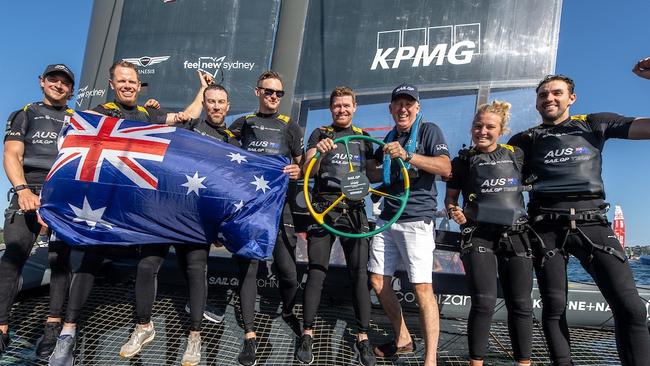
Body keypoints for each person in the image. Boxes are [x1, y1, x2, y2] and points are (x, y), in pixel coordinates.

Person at [48, 60, 205, 366]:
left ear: (139, 83)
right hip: (109, 207)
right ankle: (67, 333)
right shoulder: (102, 111)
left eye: (132, 81)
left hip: (143, 208)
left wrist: (202, 90)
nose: (128, 86)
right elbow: (77, 129)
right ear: (112, 84)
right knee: (89, 260)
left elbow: (187, 116)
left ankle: (150, 326)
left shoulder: (150, 113)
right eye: (122, 81)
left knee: (149, 265)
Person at [508, 74, 650, 366]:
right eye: (543, 94)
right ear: (536, 103)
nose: (549, 98)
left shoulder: (594, 123)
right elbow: (495, 178)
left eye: (557, 93)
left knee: (632, 309)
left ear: (571, 98)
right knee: (554, 308)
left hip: (593, 224)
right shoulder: (524, 140)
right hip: (545, 229)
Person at [368, 83, 451, 366]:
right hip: (386, 218)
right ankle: (403, 338)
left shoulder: (430, 131)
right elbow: (376, 175)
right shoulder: (389, 137)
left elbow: (445, 168)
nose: (403, 109)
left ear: (417, 108)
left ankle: (430, 359)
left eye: (408, 104)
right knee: (378, 280)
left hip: (416, 220)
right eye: (398, 104)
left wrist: (408, 155)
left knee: (422, 288)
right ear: (391, 109)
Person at [445, 101, 533, 366]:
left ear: (502, 129)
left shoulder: (517, 154)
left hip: (516, 235)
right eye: (478, 126)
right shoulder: (462, 161)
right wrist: (454, 212)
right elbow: (450, 200)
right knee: (483, 302)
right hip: (478, 236)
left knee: (521, 305)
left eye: (490, 127)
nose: (482, 131)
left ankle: (524, 363)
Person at [294, 87, 377, 366]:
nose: (341, 110)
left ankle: (363, 337)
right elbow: (307, 172)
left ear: (355, 107)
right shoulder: (320, 133)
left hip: (354, 212)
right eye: (337, 106)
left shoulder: (364, 138)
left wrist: (398, 158)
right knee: (316, 272)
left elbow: (375, 173)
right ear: (331, 109)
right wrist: (316, 153)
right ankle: (307, 333)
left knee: (360, 274)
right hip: (324, 209)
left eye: (346, 105)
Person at [228, 71, 303, 366]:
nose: (273, 97)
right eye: (269, 92)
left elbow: (302, 164)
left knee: (288, 272)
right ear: (257, 92)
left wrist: (298, 171)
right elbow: (221, 156)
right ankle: (249, 336)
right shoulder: (243, 123)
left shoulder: (290, 126)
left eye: (278, 94)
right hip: (249, 208)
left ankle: (287, 310)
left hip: (279, 207)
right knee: (248, 269)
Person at [0, 64, 75, 358]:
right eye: (53, 80)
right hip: (28, 192)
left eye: (65, 82)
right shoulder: (26, 113)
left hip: (62, 196)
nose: (59, 85)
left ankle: (52, 330)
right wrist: (23, 191)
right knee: (13, 258)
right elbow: (11, 154)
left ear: (71, 89)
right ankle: (2, 328)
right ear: (42, 82)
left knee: (60, 261)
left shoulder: (77, 119)